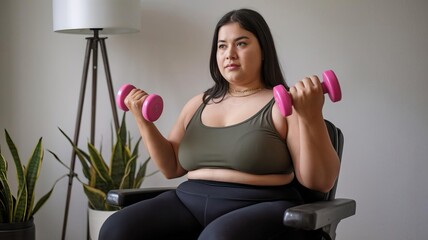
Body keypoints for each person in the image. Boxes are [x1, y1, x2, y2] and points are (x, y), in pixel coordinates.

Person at [99, 8, 340, 240]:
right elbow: (172, 168)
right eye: (222, 46)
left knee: (217, 237)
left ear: (264, 50)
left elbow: (319, 182)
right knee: (116, 229)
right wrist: (143, 120)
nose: (229, 53)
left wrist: (311, 117)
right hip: (187, 200)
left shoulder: (284, 104)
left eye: (241, 43)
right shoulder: (198, 104)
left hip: (260, 204)